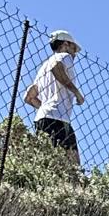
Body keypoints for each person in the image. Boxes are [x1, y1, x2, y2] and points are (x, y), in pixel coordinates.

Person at [23, 31, 84, 162]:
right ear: (66, 44)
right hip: (59, 119)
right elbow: (57, 68)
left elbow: (29, 97)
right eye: (74, 49)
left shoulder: (43, 67)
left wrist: (44, 107)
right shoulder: (64, 57)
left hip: (43, 118)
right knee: (73, 165)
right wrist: (77, 93)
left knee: (47, 161)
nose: (74, 54)